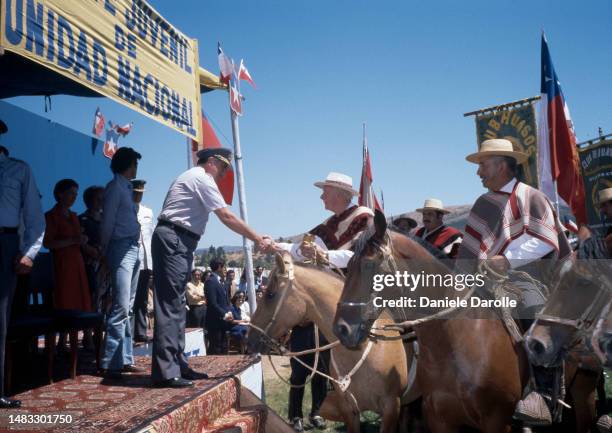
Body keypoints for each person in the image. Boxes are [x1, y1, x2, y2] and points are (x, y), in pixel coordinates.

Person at [457, 138, 572, 426]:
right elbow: (472, 250)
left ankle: (544, 396)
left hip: (527, 277)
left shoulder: (530, 196)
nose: (478, 172)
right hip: (484, 280)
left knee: (534, 310)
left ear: (501, 164)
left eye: (483, 165)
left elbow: (545, 242)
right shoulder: (483, 203)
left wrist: (507, 260)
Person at [151, 147, 271, 388]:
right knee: (170, 307)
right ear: (213, 162)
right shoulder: (202, 178)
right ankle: (166, 372)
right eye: (225, 167)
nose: (225, 174)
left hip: (179, 240)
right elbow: (226, 217)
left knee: (175, 306)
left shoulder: (193, 177)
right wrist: (258, 238)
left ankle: (177, 365)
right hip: (175, 239)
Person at [275, 171, 374, 432]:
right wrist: (276, 245)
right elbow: (301, 248)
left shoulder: (363, 218)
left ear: (340, 194)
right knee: (301, 367)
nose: (321, 196)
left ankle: (318, 411)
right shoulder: (325, 227)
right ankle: (296, 415)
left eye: (325, 191)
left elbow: (357, 255)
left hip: (347, 301)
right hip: (321, 304)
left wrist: (322, 254)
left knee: (324, 367)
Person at [0, 120, 45, 409]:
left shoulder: (18, 169)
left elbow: (33, 215)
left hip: (4, 245)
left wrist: (30, 252)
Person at [99, 147, 144, 379]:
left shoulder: (126, 188)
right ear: (128, 165)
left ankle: (125, 358)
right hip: (120, 247)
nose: (136, 168)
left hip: (132, 247)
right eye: (134, 164)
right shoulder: (115, 188)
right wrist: (105, 250)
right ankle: (109, 362)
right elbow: (107, 222)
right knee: (120, 306)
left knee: (128, 306)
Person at [44, 179, 92, 351]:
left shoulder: (73, 216)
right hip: (62, 264)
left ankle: (78, 340)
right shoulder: (51, 216)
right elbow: (48, 243)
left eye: (76, 194)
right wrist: (73, 240)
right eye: (71, 193)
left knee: (79, 300)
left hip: (77, 262)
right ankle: (61, 340)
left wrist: (83, 241)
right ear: (60, 194)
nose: (74, 197)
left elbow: (78, 240)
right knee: (64, 300)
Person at [131, 179, 155, 343]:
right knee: (129, 298)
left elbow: (150, 235)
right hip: (131, 259)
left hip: (146, 260)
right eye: (136, 192)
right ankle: (129, 332)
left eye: (140, 193)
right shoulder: (125, 209)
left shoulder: (148, 211)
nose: (138, 195)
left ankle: (140, 331)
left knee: (142, 298)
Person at [79, 186, 106, 312]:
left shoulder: (108, 219)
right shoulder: (81, 220)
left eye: (103, 198)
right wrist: (93, 252)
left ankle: (102, 328)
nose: (101, 201)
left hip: (106, 266)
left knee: (106, 298)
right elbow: (80, 243)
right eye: (98, 198)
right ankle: (90, 329)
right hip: (89, 266)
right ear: (88, 201)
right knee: (92, 295)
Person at [205, 259, 232, 355]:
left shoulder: (222, 282)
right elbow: (212, 303)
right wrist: (224, 313)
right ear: (219, 267)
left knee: (224, 346)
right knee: (215, 348)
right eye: (224, 267)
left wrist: (229, 312)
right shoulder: (210, 281)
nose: (225, 269)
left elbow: (226, 301)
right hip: (215, 322)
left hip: (223, 321)